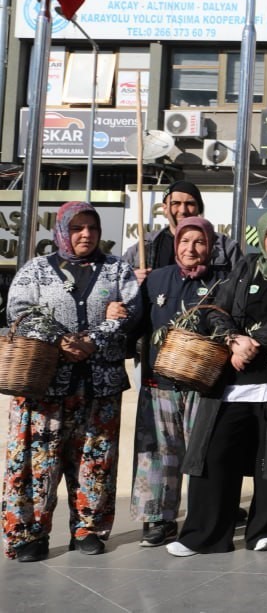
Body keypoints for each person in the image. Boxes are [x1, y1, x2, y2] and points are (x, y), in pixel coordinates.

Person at [169, 211, 267, 556]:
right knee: (214, 454)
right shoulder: (244, 268)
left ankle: (266, 530)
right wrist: (232, 339)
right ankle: (203, 535)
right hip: (233, 381)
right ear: (261, 237)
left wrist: (255, 342)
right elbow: (214, 310)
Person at [2, 201, 138, 561]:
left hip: (99, 385)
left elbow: (132, 312)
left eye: (92, 228)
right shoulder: (36, 271)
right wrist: (60, 339)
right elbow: (18, 312)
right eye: (77, 228)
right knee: (36, 461)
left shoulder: (116, 270)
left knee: (96, 459)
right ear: (62, 231)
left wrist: (96, 338)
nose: (86, 234)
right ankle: (28, 534)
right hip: (44, 384)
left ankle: (88, 528)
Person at [126, 216, 229, 548]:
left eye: (199, 242)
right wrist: (127, 296)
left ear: (210, 247)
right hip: (160, 384)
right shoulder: (155, 280)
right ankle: (159, 518)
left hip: (203, 384)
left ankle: (203, 516)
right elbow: (136, 323)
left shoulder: (222, 281)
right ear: (175, 245)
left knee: (202, 453)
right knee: (158, 453)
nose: (191, 248)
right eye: (185, 241)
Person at [123, 181, 240, 282]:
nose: (183, 210)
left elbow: (241, 282)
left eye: (190, 204)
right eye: (175, 203)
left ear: (199, 208)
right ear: (164, 209)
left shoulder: (225, 247)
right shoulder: (146, 244)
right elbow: (117, 280)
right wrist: (131, 278)